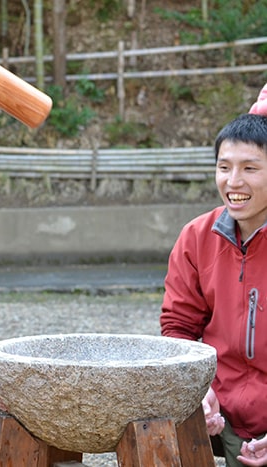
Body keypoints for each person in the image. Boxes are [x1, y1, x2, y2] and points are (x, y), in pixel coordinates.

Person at [160, 112, 267, 467]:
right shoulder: (196, 236)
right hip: (218, 402)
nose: (234, 182)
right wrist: (198, 387)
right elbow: (178, 329)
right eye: (224, 168)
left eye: (250, 169)